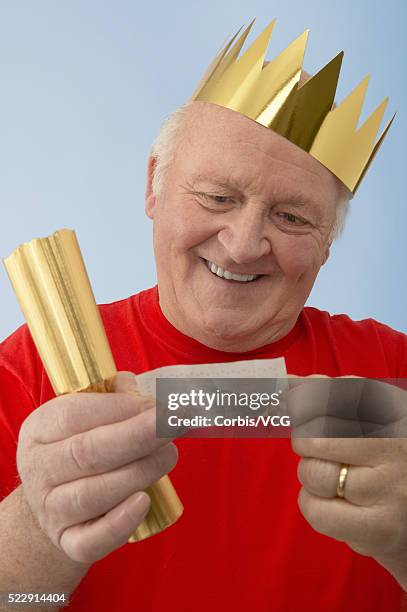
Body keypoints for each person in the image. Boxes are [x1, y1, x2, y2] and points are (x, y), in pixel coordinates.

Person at [0, 20, 406, 612]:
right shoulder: (29, 367)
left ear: (327, 244)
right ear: (153, 188)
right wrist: (38, 528)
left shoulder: (393, 374)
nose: (243, 245)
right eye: (218, 198)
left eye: (292, 218)